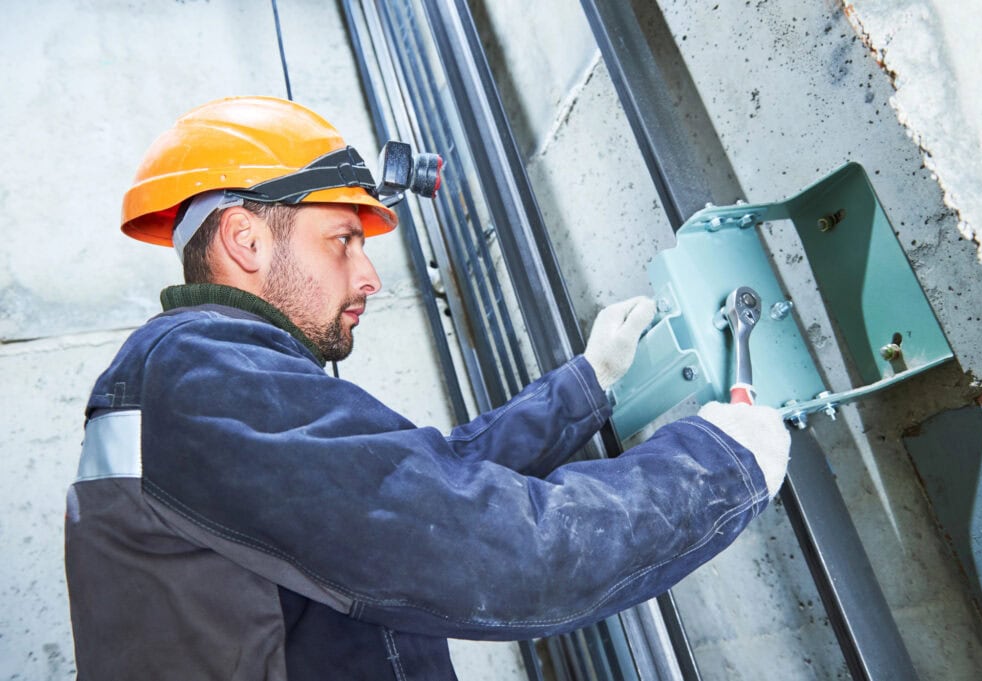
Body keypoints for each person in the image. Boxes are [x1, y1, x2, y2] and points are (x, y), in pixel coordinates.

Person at [65, 96, 790, 681]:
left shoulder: (197, 381)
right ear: (246, 241)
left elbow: (428, 476)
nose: (370, 275)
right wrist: (723, 464)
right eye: (343, 239)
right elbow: (506, 552)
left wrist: (585, 383)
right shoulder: (198, 377)